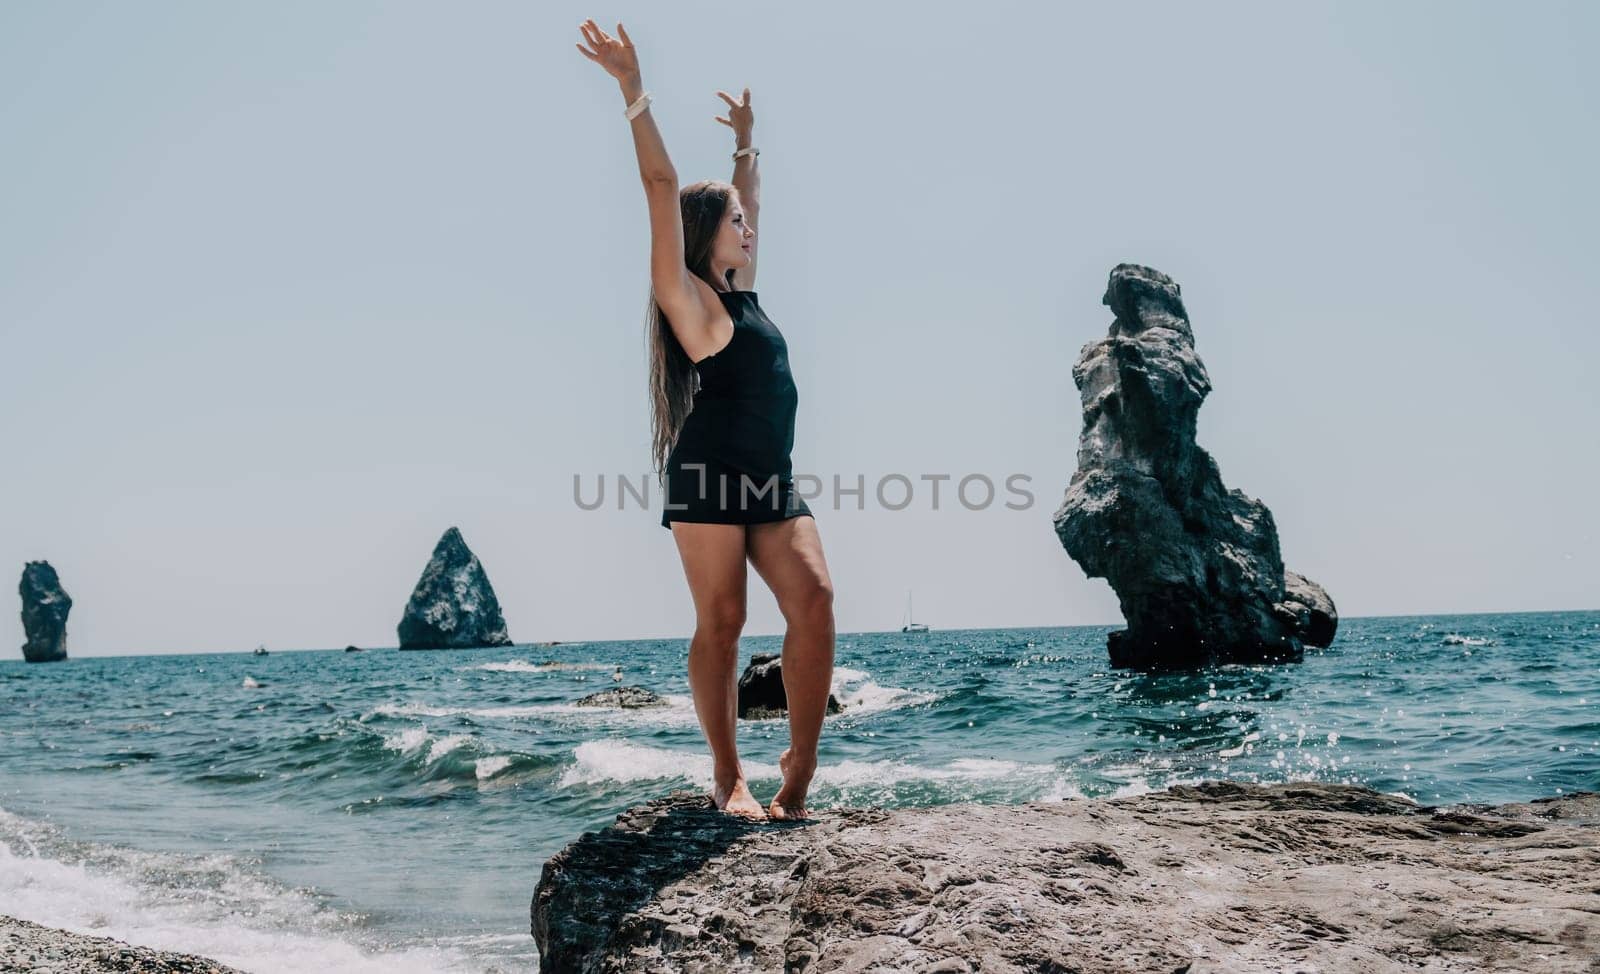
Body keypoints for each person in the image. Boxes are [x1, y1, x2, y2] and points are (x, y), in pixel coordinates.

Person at [576, 19, 835, 821]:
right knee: (723, 621)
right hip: (709, 473)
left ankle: (800, 763)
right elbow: (662, 188)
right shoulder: (687, 300)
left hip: (771, 477)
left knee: (816, 599)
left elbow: (746, 197)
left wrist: (747, 146)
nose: (748, 227)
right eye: (732, 221)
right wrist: (632, 91)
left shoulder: (743, 290)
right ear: (703, 236)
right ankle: (727, 774)